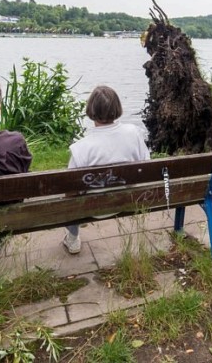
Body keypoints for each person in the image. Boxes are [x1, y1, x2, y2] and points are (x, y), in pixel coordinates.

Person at [63, 85, 150, 254]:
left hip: (93, 208)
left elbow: (70, 191)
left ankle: (72, 239)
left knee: (68, 199)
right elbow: (146, 165)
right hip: (128, 200)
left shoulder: (81, 148)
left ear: (91, 110)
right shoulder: (134, 133)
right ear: (117, 108)